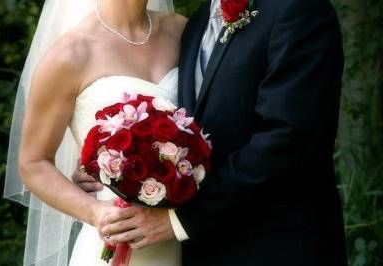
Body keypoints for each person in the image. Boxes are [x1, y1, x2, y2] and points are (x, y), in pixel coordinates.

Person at [74, 0, 349, 265]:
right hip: (199, 251)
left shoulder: (299, 9)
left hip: (277, 248)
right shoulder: (197, 23)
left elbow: (287, 141)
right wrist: (113, 165)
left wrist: (179, 220)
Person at [5, 0, 186, 265]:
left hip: (183, 239)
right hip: (114, 238)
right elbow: (32, 162)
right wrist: (96, 212)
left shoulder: (181, 30)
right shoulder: (71, 54)